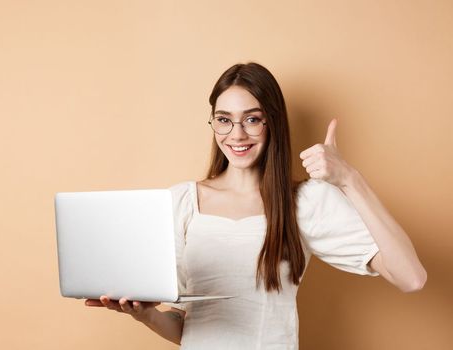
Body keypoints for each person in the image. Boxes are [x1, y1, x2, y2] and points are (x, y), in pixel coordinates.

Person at [84, 62, 427, 349]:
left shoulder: (305, 202)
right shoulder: (182, 201)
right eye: (223, 119)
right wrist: (146, 315)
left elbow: (411, 277)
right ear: (214, 123)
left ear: (272, 122)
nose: (236, 134)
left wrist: (350, 179)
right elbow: (186, 325)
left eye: (252, 119)